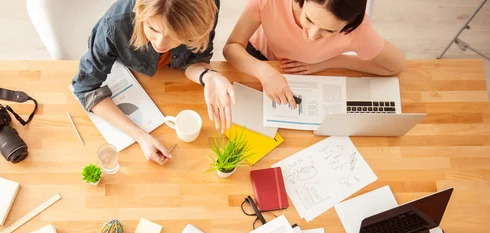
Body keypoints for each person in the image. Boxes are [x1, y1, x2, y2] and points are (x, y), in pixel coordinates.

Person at [72, 0, 236, 165]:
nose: (160, 44)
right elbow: (86, 89)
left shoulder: (205, 9)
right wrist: (140, 136)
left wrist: (208, 76)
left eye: (175, 35)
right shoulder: (115, 24)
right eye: (152, 28)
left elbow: (196, 58)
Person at [223, 0, 406, 107]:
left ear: (348, 26)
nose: (311, 36)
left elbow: (395, 66)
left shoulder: (357, 31)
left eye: (328, 31)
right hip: (258, 57)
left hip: (308, 73)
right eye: (308, 19)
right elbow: (231, 46)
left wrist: (330, 62)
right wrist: (264, 71)